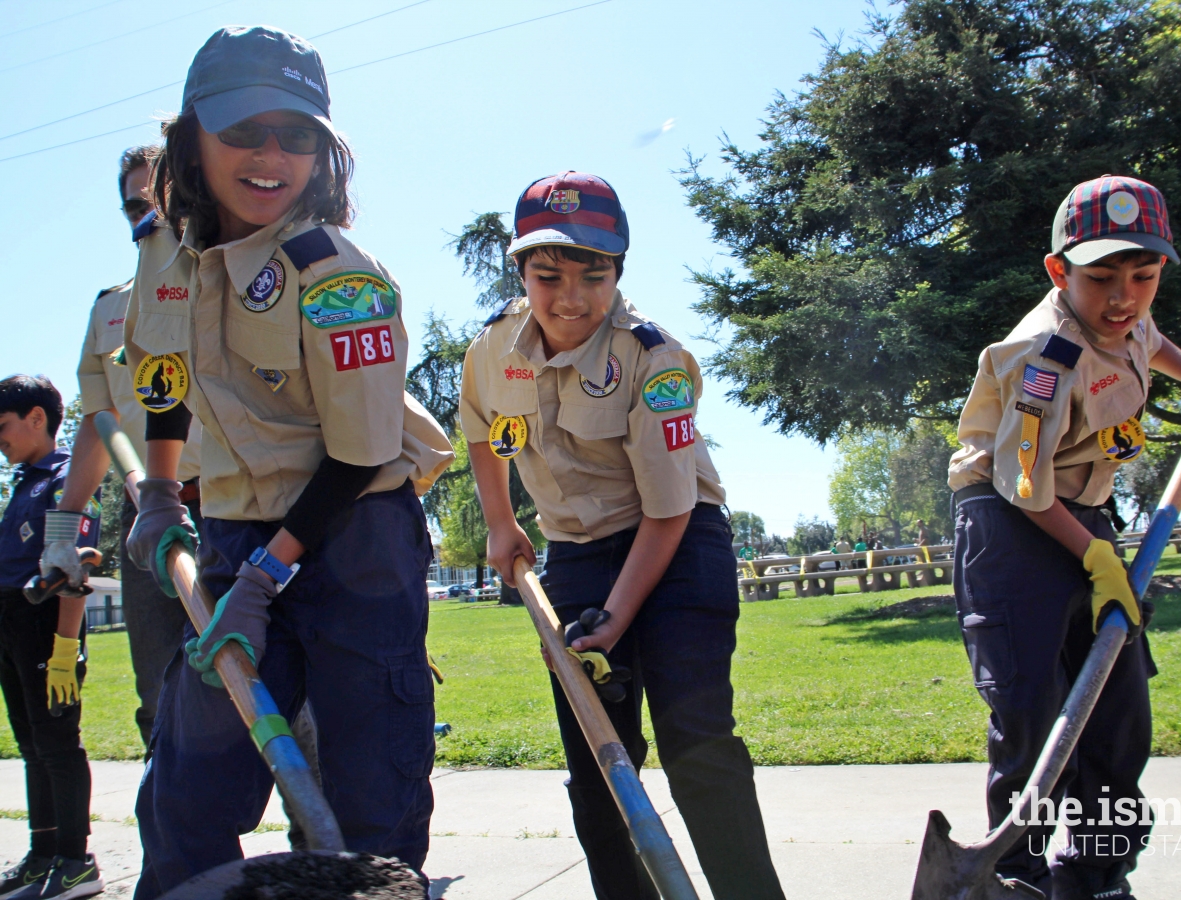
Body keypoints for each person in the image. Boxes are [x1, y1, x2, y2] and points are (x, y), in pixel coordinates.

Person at [120, 26, 453, 897]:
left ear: (323, 150)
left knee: (370, 791)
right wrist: (159, 493)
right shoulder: (167, 258)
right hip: (231, 530)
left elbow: (360, 457)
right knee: (188, 786)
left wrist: (265, 582)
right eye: (243, 130)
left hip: (354, 539)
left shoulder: (337, 273)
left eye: (296, 135)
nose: (271, 157)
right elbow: (164, 378)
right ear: (190, 136)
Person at [461, 171, 786, 900]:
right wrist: (500, 522)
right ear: (520, 270)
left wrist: (614, 619)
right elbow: (481, 430)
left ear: (619, 272)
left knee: (695, 741)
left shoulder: (652, 356)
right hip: (575, 554)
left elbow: (669, 510)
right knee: (599, 761)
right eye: (547, 276)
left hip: (676, 549)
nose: (570, 297)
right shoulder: (491, 350)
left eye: (593, 275)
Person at [947, 175, 1181, 898]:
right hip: (1009, 520)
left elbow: (1150, 337)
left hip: (1086, 518)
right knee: (1032, 712)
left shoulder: (1129, 316)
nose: (1123, 298)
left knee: (1116, 717)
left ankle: (1097, 877)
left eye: (1143, 276)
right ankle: (1013, 876)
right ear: (1059, 272)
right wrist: (1092, 556)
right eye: (1101, 279)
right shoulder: (1044, 360)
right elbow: (1024, 485)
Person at [44, 146, 203, 749]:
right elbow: (99, 422)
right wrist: (61, 539)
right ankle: (189, 845)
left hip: (242, 506)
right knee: (163, 699)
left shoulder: (233, 284)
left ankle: (312, 846)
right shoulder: (111, 309)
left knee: (287, 691)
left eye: (165, 200)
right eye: (137, 205)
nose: (152, 216)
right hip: (151, 520)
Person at [0, 376, 104, 900]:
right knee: (32, 746)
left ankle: (76, 861)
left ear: (37, 417)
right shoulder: (23, 481)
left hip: (46, 625)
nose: (0, 439)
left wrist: (66, 648)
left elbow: (75, 569)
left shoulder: (69, 477)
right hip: (11, 626)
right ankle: (43, 856)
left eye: (3, 426)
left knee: (59, 745)